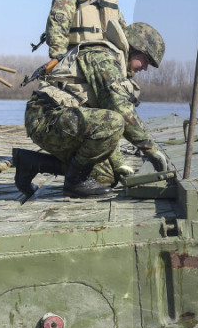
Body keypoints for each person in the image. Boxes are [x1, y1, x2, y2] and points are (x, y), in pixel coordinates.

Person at [17, 21, 171, 199]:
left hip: (63, 119)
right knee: (114, 121)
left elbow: (103, 120)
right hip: (45, 117)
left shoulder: (114, 61)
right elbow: (119, 109)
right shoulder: (102, 57)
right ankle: (74, 182)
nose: (144, 68)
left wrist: (118, 164)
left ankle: (30, 162)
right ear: (134, 48)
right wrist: (151, 150)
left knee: (106, 177)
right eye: (146, 60)